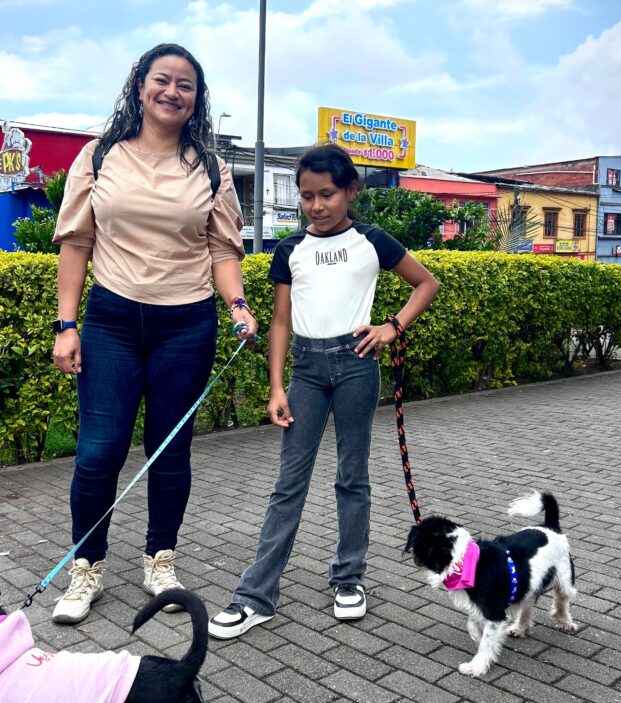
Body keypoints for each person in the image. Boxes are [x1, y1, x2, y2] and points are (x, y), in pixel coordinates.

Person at [49, 43, 258, 624]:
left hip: (187, 324)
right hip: (112, 320)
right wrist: (67, 326)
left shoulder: (210, 168)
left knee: (170, 452)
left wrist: (237, 303)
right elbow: (76, 243)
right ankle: (85, 566)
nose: (172, 92)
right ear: (140, 86)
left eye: (185, 85)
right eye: (161, 80)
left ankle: (159, 558)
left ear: (197, 99)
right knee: (98, 454)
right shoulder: (99, 157)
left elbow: (222, 249)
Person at [208, 143, 440, 639]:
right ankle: (255, 596)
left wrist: (391, 326)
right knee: (288, 484)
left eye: (328, 194)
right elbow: (281, 321)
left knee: (352, 478)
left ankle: (349, 578)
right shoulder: (290, 250)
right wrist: (276, 387)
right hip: (307, 370)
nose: (316, 205)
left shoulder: (372, 240)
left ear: (351, 190)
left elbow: (426, 283)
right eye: (307, 196)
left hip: (358, 364)